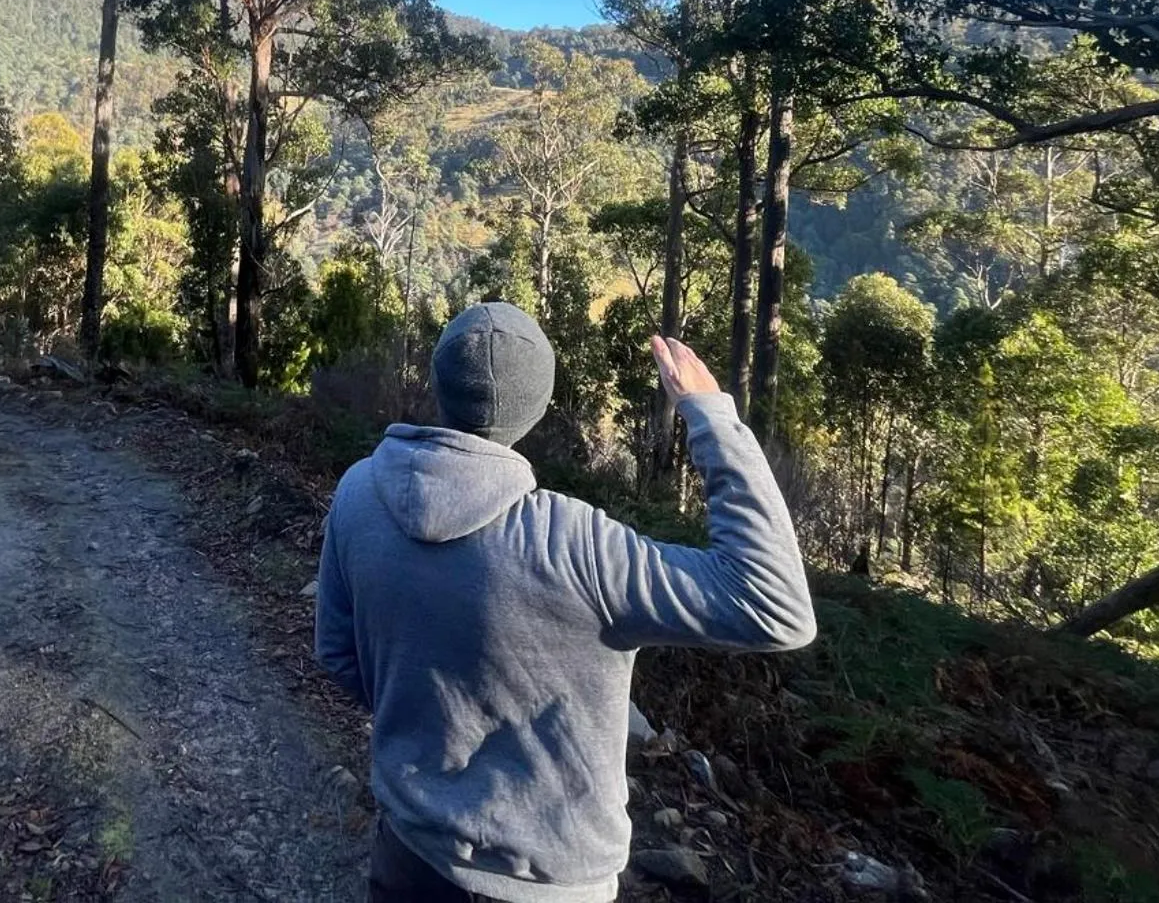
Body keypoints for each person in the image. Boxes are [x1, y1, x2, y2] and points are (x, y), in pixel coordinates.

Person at [316, 302, 815, 903]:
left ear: (436, 384)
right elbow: (774, 603)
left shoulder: (357, 496)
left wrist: (429, 716)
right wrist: (710, 417)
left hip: (410, 855)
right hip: (549, 880)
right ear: (539, 405)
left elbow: (339, 657)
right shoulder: (578, 546)